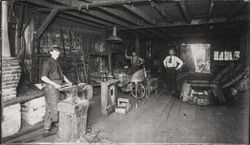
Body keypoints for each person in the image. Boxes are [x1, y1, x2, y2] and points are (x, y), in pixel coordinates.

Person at [41, 45, 72, 134]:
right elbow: (43, 77)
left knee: (61, 105)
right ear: (51, 52)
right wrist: (55, 85)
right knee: (51, 107)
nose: (57, 53)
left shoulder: (57, 62)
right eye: (55, 51)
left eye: (58, 51)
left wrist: (68, 81)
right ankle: (46, 128)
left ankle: (58, 123)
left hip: (60, 86)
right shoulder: (47, 63)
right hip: (51, 87)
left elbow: (62, 74)